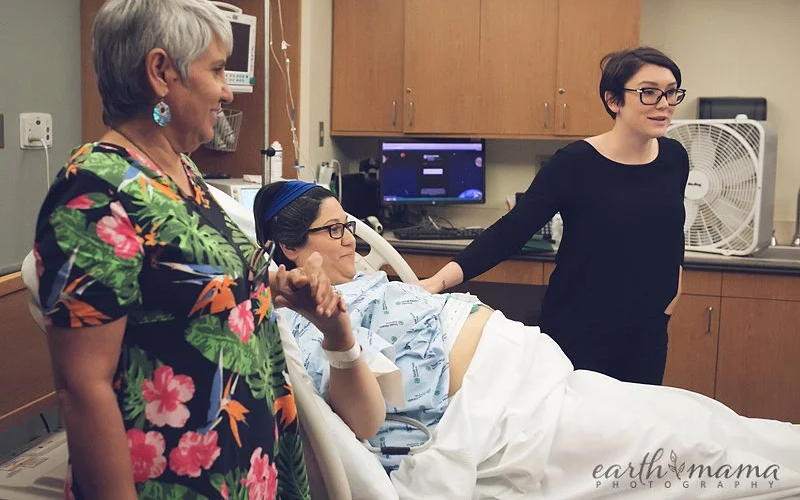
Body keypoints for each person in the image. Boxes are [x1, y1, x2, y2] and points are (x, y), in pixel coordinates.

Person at [31, 0, 383, 500]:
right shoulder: (95, 193)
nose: (228, 91)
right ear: (160, 72)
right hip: (174, 481)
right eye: (216, 70)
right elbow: (84, 388)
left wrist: (279, 288)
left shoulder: (183, 172)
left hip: (248, 466)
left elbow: (196, 291)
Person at [253, 180, 800, 500]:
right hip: (500, 412)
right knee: (686, 446)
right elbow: (367, 421)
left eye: (349, 225)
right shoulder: (306, 319)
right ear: (289, 248)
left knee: (694, 416)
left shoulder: (364, 282)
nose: (352, 241)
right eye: (334, 230)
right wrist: (338, 333)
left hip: (528, 373)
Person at [419, 46, 690, 386]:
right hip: (580, 327)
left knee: (636, 416)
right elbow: (511, 231)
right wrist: (439, 280)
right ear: (613, 100)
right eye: (649, 92)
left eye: (671, 92)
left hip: (647, 332)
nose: (664, 103)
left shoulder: (674, 157)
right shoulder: (574, 164)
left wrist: (674, 289)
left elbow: (671, 231)